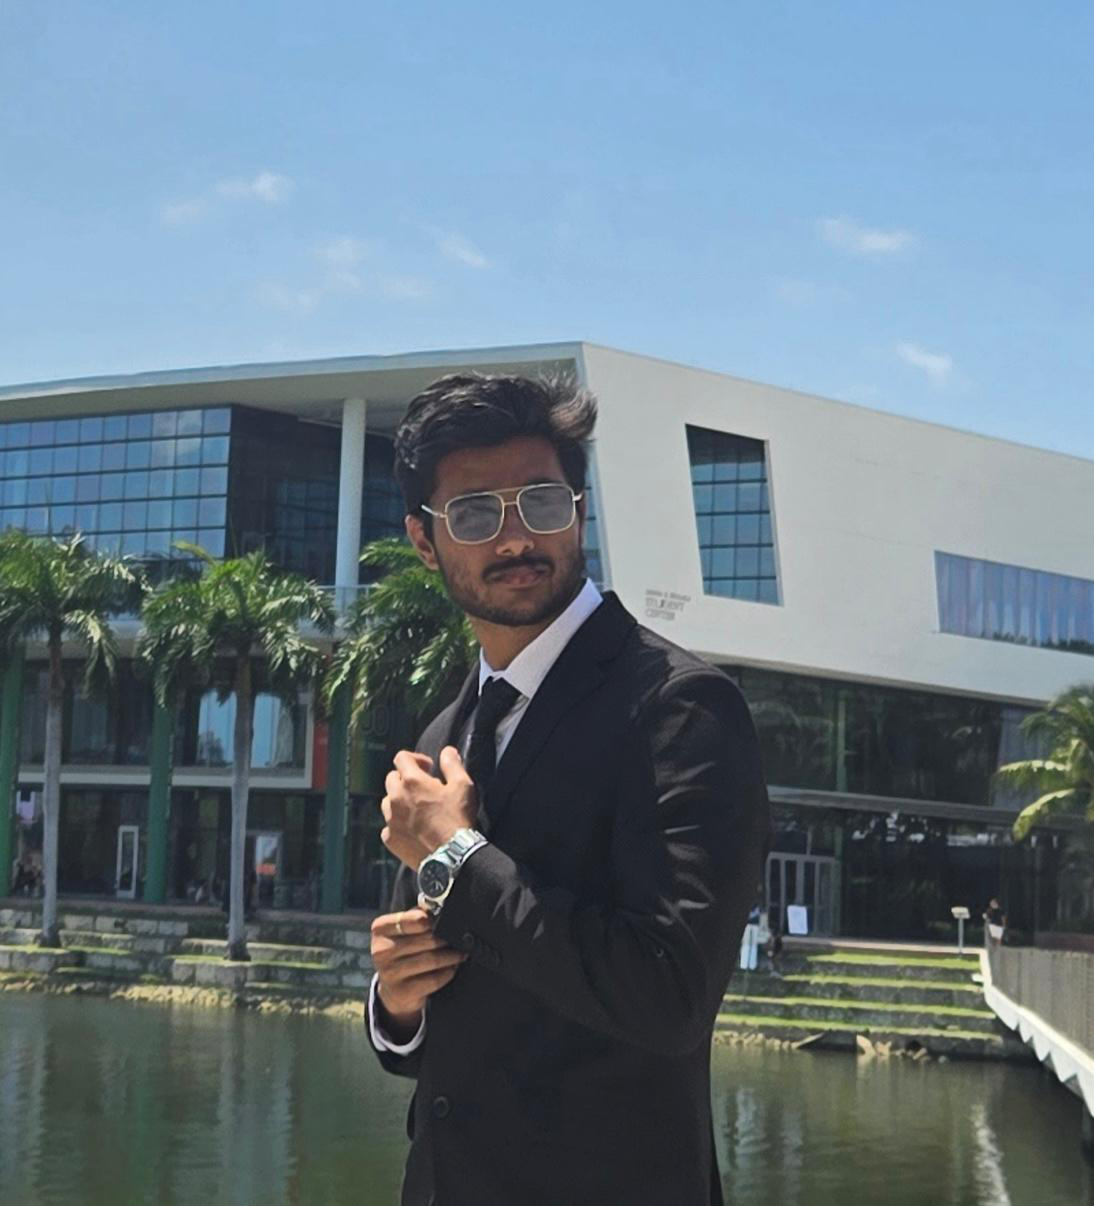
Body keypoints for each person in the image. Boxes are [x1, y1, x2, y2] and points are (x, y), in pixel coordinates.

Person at [367, 372, 770, 1206]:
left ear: (580, 509)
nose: (517, 537)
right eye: (476, 514)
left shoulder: (678, 707)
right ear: (422, 540)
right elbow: (461, 996)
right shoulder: (446, 733)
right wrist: (395, 1005)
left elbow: (670, 997)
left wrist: (452, 851)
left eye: (542, 502)